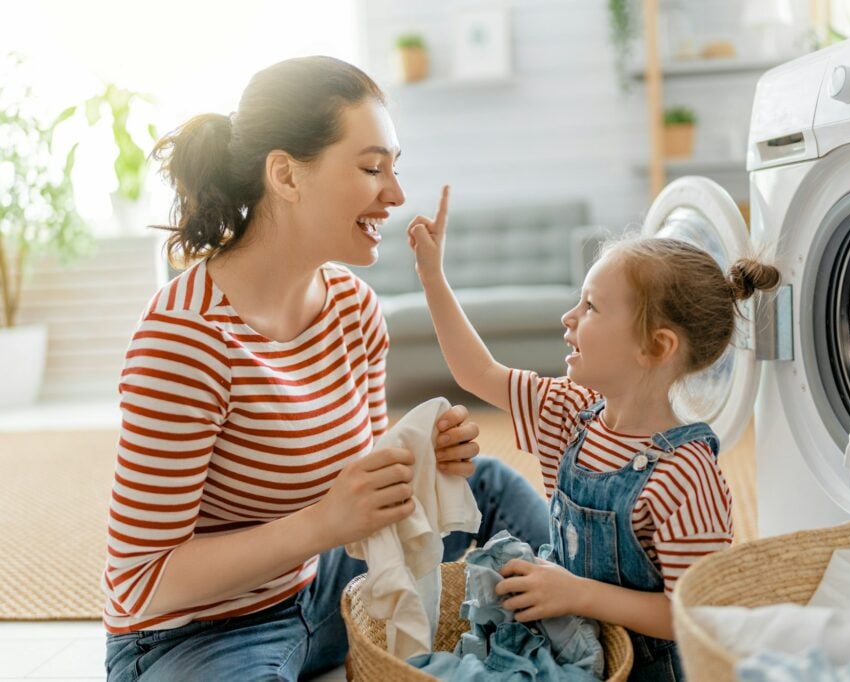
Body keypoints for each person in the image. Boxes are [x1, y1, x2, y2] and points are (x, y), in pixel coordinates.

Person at [102, 56, 550, 681]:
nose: (395, 195)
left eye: (395, 168)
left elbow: (352, 476)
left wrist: (419, 457)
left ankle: (578, 632)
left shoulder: (353, 306)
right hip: (203, 632)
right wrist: (323, 523)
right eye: (371, 168)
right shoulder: (186, 338)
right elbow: (140, 582)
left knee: (490, 484)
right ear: (286, 175)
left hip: (326, 585)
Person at [407, 186, 781, 681]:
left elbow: (696, 616)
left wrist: (578, 594)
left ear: (655, 347)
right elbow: (477, 372)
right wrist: (432, 277)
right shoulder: (569, 411)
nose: (569, 317)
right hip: (565, 646)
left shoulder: (687, 476)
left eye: (591, 307)